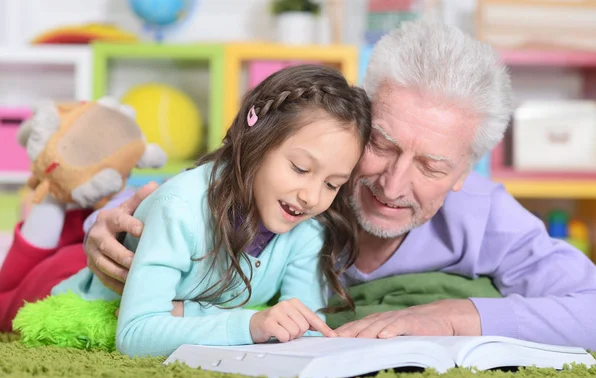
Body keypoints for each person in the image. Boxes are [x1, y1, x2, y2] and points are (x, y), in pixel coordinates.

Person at [85, 21, 596, 351]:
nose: (393, 184)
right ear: (355, 119)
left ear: (466, 173)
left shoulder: (486, 217)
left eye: (433, 166)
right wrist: (101, 224)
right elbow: (192, 194)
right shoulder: (297, 181)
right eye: (382, 143)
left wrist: (455, 316)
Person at [1, 64, 373, 359]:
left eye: (332, 184)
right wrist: (249, 324)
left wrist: (189, 313)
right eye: (300, 168)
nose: (311, 196)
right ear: (258, 140)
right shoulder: (179, 207)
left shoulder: (308, 230)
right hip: (64, 285)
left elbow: (305, 325)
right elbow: (134, 334)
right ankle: (48, 204)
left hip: (137, 258)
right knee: (6, 298)